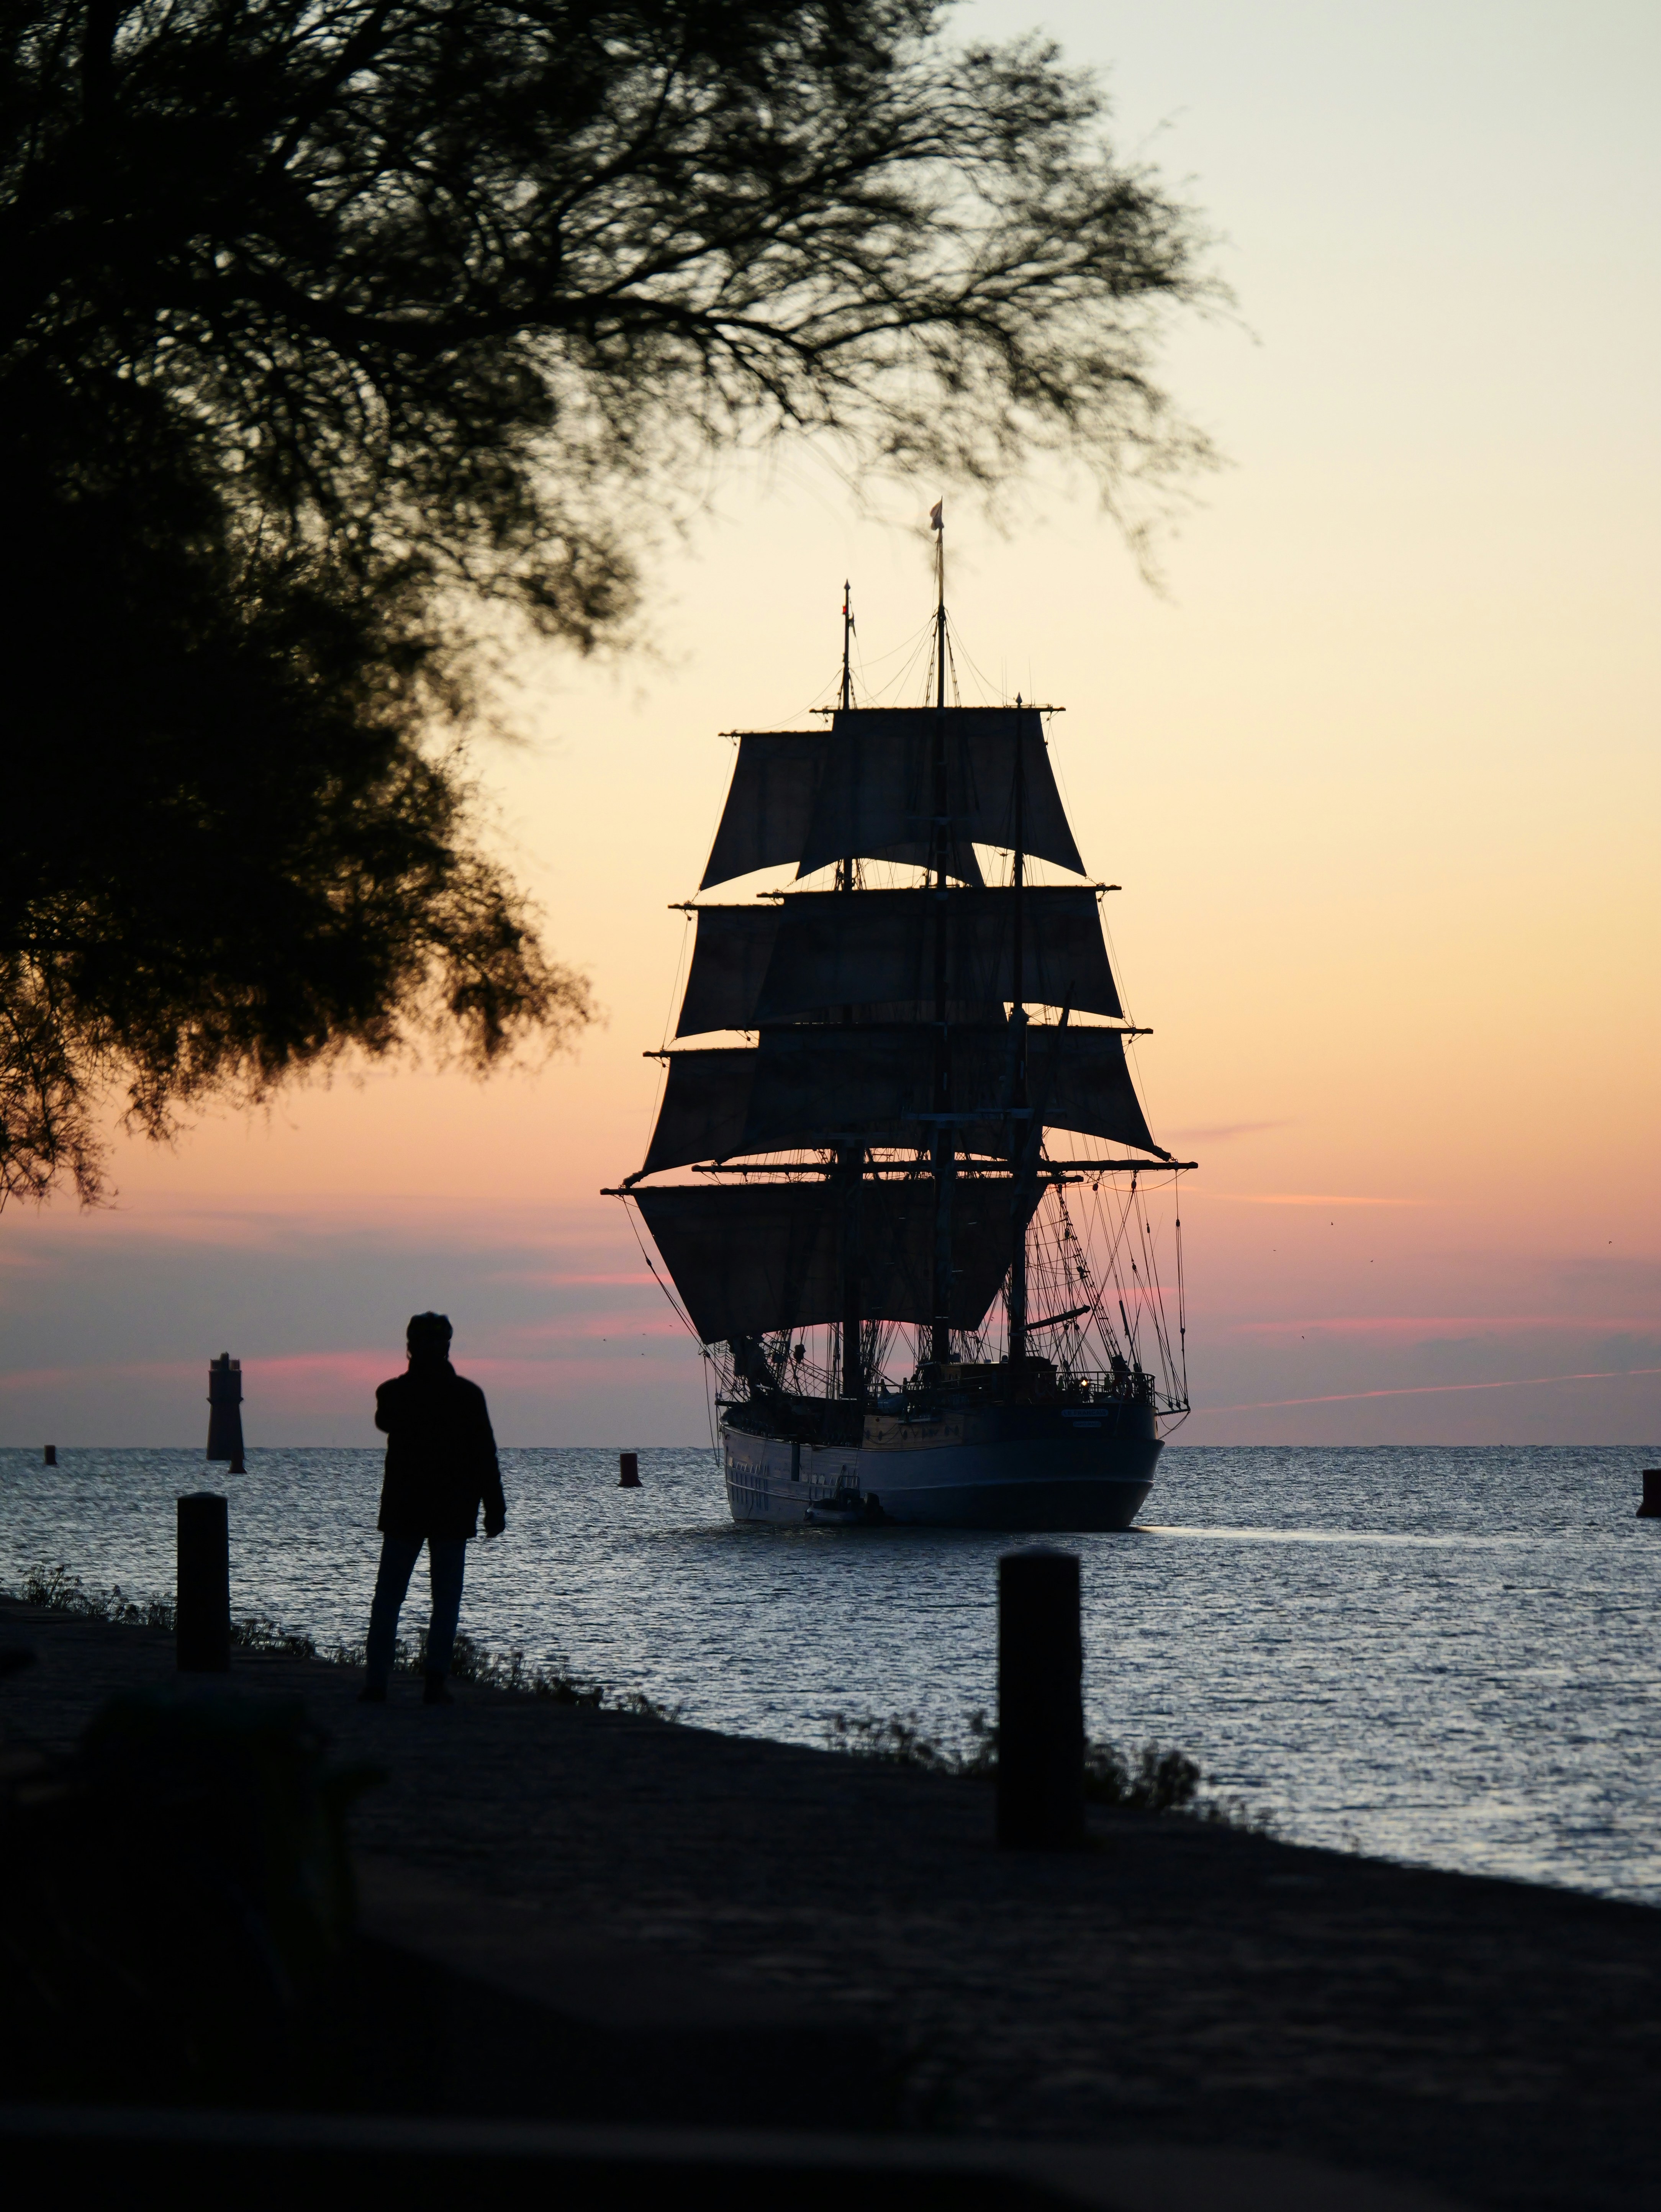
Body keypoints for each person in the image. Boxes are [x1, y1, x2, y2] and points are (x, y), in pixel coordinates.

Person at [360, 1312, 506, 1706]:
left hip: (411, 1509)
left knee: (391, 1598)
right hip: (448, 1510)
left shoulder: (394, 1392)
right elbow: (484, 1455)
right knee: (440, 1599)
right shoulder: (465, 1395)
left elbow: (385, 1419)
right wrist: (495, 1507)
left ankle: (380, 1682)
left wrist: (495, 1507)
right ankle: (431, 1682)